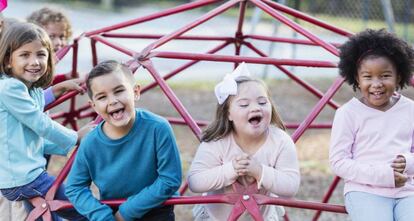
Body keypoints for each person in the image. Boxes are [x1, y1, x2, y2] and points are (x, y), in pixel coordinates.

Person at [65, 60, 182, 221]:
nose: (112, 101)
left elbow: (170, 179)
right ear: (93, 106)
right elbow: (74, 188)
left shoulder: (158, 128)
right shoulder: (90, 143)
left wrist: (127, 212)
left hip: (157, 208)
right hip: (112, 210)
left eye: (119, 91)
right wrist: (101, 215)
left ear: (136, 92)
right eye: (102, 97)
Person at [0, 22, 93, 221]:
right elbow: (39, 122)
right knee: (85, 208)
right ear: (8, 61)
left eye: (41, 54)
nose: (34, 62)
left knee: (45, 215)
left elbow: (32, 127)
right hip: (24, 179)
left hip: (24, 178)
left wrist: (60, 87)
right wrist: (75, 137)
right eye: (25, 55)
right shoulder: (9, 88)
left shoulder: (29, 88)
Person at [187, 63, 300, 221]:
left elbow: (291, 186)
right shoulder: (218, 141)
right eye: (244, 104)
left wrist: (260, 171)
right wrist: (231, 170)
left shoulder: (280, 141)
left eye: (262, 102)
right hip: (215, 218)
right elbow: (195, 182)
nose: (255, 108)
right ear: (228, 114)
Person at [329, 29, 414, 221]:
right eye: (368, 77)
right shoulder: (347, 113)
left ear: (399, 76)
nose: (376, 84)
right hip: (365, 191)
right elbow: (339, 162)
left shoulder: (410, 109)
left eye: (385, 76)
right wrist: (384, 175)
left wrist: (407, 163)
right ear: (357, 78)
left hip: (407, 192)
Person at [27, 7, 74, 84]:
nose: (58, 42)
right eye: (51, 36)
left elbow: (44, 83)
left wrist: (65, 77)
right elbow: (37, 88)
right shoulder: (32, 64)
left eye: (62, 37)